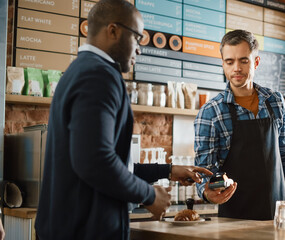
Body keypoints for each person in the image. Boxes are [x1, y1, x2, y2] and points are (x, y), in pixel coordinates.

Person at [35, 1, 211, 239]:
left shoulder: (79, 70)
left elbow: (110, 160)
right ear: (113, 30)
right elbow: (95, 162)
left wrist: (168, 170)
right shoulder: (99, 76)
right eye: (137, 38)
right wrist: (149, 195)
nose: (139, 49)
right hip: (86, 230)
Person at [194, 29, 285, 220]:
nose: (236, 68)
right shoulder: (210, 112)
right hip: (236, 216)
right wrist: (207, 192)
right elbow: (204, 168)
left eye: (244, 60)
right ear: (223, 64)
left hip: (280, 213)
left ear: (256, 62)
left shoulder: (275, 101)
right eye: (229, 61)